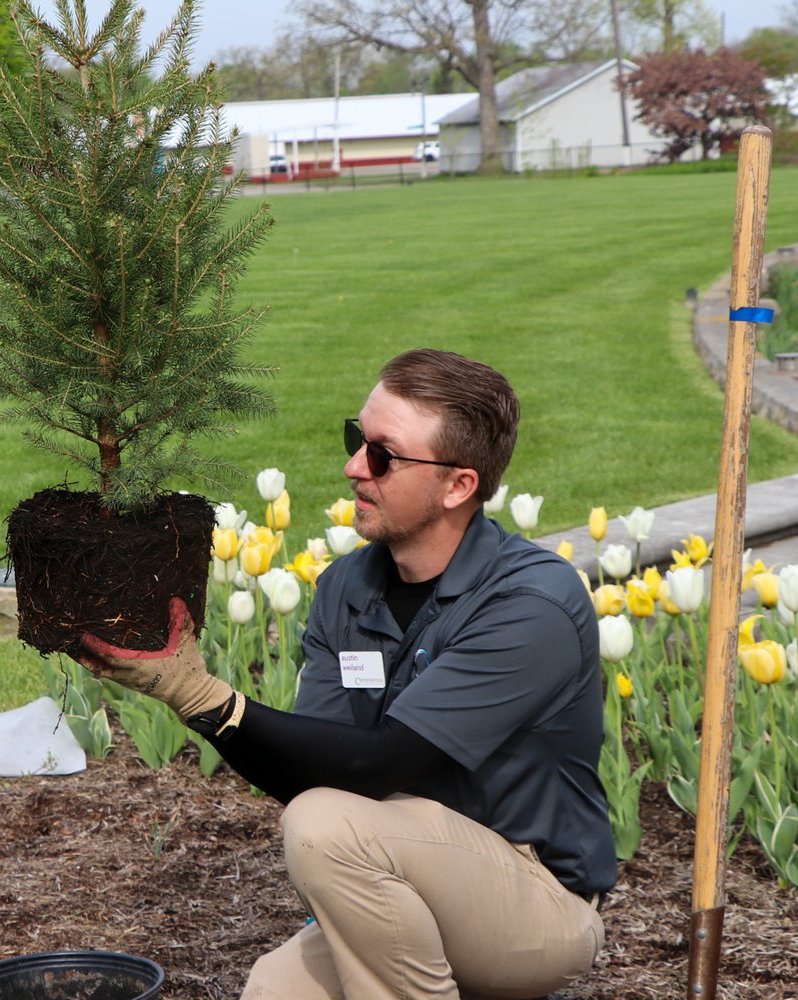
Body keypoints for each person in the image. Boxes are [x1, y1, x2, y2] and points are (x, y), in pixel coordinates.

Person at [77, 349, 615, 999]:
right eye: (357, 439)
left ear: (458, 486)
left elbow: (385, 762)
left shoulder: (529, 605)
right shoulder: (347, 587)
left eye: (383, 455)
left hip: (537, 906)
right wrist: (190, 696)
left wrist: (201, 696)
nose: (354, 466)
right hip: (405, 879)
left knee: (324, 827)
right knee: (273, 991)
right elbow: (318, 768)